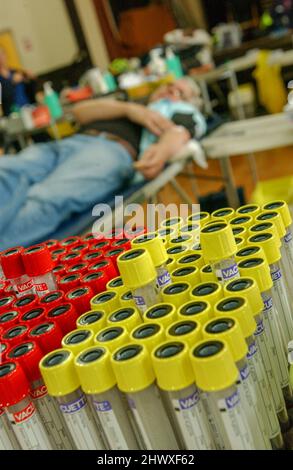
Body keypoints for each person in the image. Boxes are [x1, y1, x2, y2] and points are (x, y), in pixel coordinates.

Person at [0, 78, 206, 250]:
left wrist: (161, 153)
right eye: (170, 86)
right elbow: (79, 112)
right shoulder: (133, 104)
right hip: (67, 144)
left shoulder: (182, 111)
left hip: (111, 151)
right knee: (6, 171)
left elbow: (179, 133)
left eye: (181, 92)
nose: (172, 90)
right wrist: (130, 110)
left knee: (46, 198)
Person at [0, 47, 37, 116]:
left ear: (6, 55)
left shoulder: (15, 72)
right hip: (13, 114)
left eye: (2, 54)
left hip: (29, 108)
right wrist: (12, 82)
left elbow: (31, 91)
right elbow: (3, 97)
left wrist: (31, 80)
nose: (1, 58)